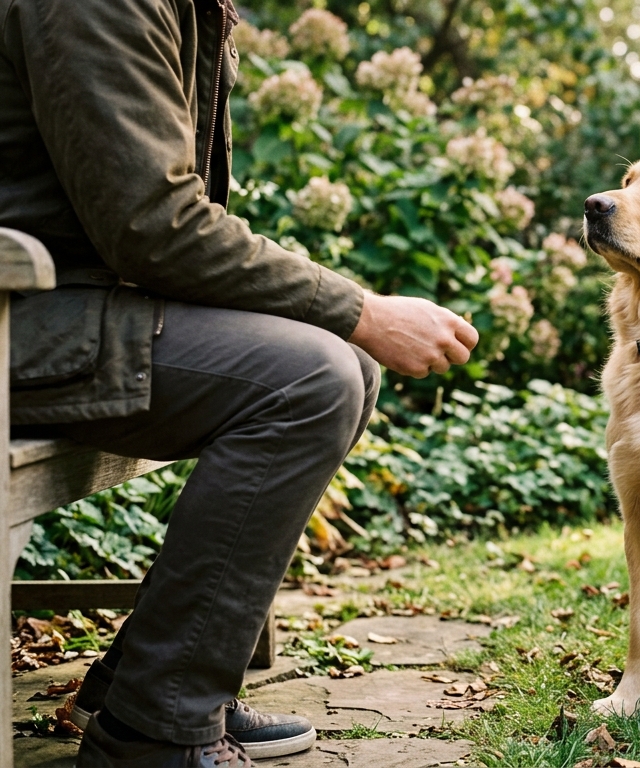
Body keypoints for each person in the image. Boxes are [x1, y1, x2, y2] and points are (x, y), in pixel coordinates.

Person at [0, 0, 479, 764]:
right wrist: (361, 308)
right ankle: (154, 730)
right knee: (310, 379)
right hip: (18, 310)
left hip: (63, 301)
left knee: (339, 365)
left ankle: (141, 682)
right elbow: (154, 225)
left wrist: (351, 321)